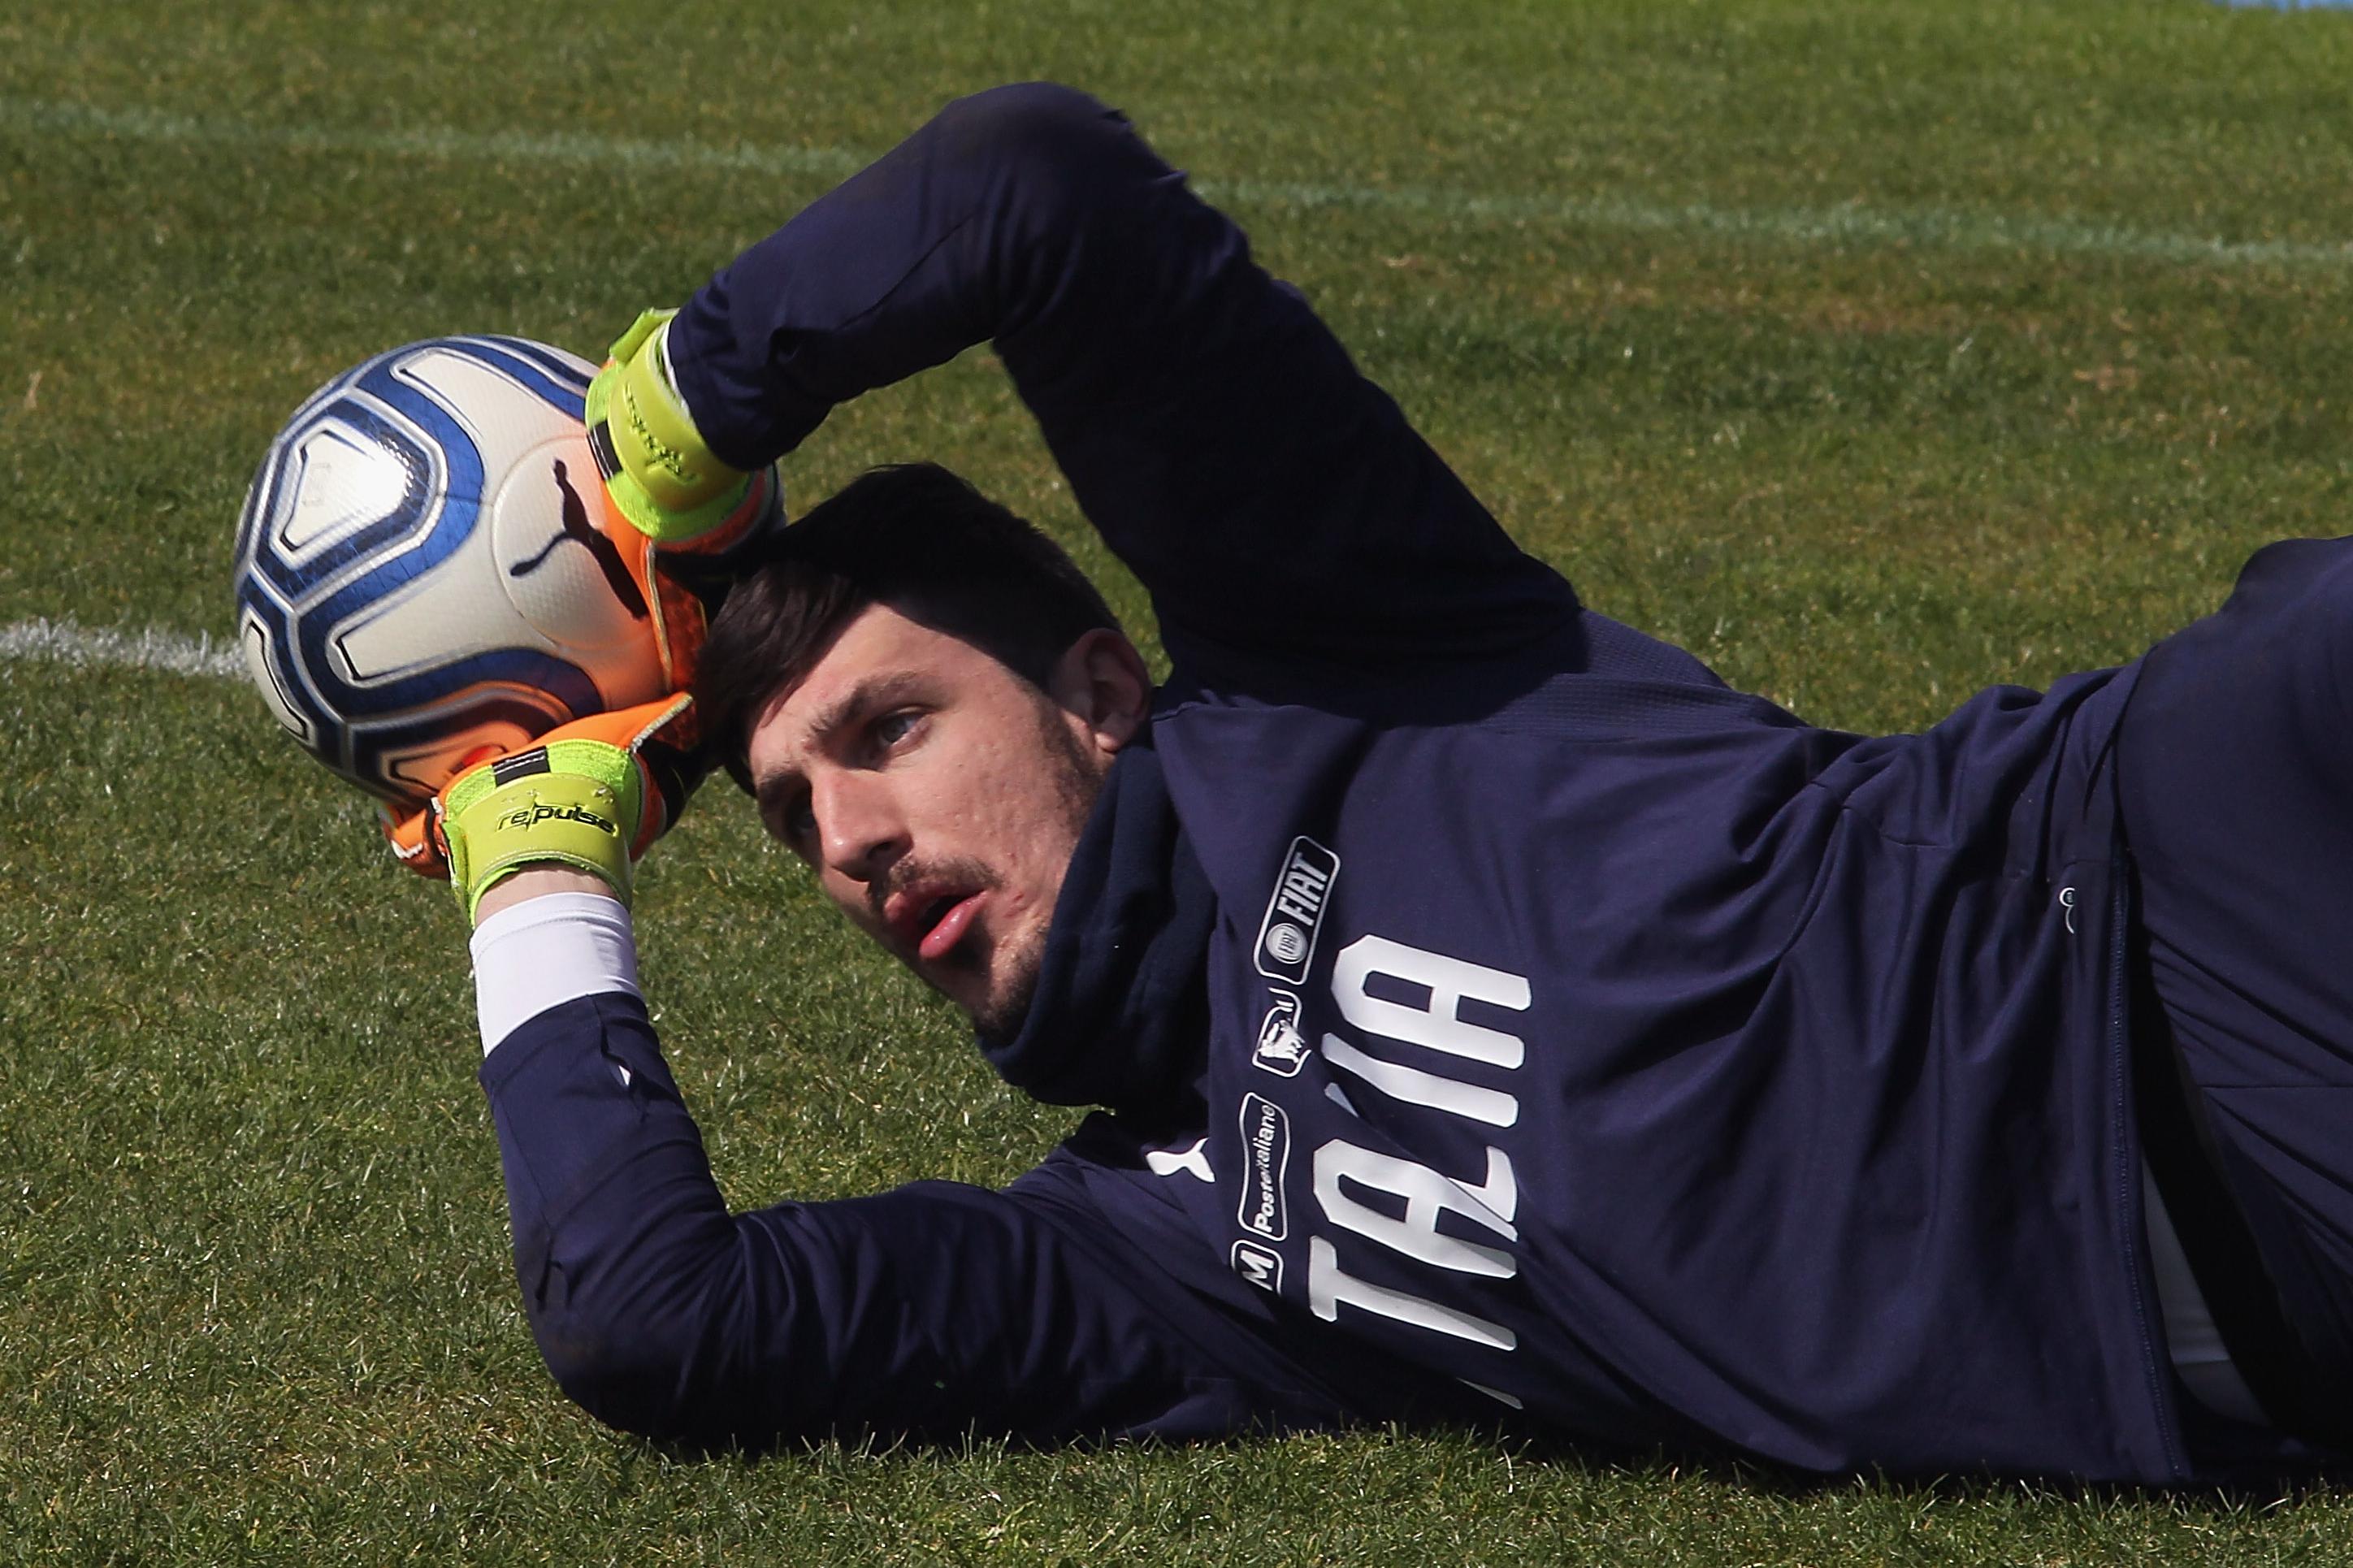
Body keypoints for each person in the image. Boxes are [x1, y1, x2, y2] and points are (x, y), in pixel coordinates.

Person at [413, 81, 2353, 1484]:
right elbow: (656, 1315)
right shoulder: (1161, 1255)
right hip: (2257, 1299)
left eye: (885, 728)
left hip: (2171, 888)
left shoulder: (1345, 655)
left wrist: (696, 408)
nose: (844, 838)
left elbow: (1031, 188)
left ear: (1098, 688)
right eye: (784, 815)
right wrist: (540, 880)